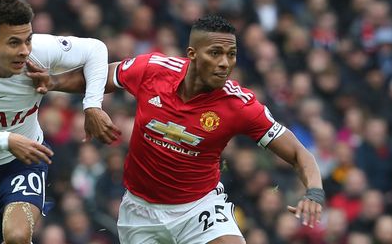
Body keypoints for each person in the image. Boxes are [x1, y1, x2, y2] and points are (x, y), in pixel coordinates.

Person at [38, 14, 325, 243]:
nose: (225, 63)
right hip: (139, 212)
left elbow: (299, 153)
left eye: (231, 54)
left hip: (198, 209)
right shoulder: (151, 69)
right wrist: (52, 83)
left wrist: (313, 193)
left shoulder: (239, 105)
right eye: (216, 53)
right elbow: (99, 75)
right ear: (192, 53)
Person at [0, 0, 121, 244]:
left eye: (28, 40)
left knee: (17, 235)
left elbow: (96, 50)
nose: (24, 51)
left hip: (23, 162)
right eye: (13, 43)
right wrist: (8, 140)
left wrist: (92, 105)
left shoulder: (39, 51)